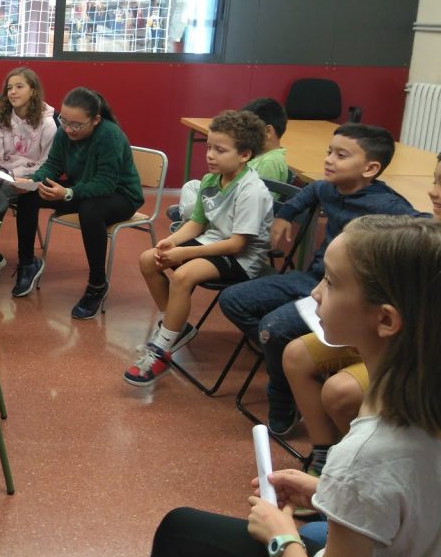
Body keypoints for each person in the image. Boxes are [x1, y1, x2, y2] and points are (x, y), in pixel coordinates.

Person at [147, 215, 441, 557]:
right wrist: (328, 494)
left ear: (385, 320)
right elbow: (406, 502)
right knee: (182, 527)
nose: (315, 292)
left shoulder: (365, 454)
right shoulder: (417, 406)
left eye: (331, 282)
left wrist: (282, 538)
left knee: (185, 540)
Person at [218, 124, 422, 435]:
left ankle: (282, 393)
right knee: (233, 300)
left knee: (274, 328)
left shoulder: (388, 207)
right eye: (329, 152)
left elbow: (421, 230)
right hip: (312, 279)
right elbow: (311, 191)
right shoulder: (329, 187)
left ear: (370, 168)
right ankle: (283, 360)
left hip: (343, 293)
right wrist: (286, 214)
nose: (329, 160)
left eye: (341, 155)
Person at [281, 151, 441, 475]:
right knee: (296, 354)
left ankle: (361, 466)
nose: (433, 191)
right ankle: (325, 454)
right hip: (388, 330)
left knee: (340, 392)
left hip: (414, 347)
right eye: (436, 180)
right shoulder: (425, 230)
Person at [124, 110, 273, 386]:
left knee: (183, 275)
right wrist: (173, 241)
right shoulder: (210, 180)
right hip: (213, 242)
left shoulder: (251, 190)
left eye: (220, 150)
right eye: (209, 147)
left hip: (241, 258)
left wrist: (184, 253)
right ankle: (175, 326)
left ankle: (162, 347)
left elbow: (238, 243)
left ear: (244, 155)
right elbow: (197, 223)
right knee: (148, 259)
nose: (210, 155)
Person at [12, 87, 142, 320]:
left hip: (120, 195)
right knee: (29, 195)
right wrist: (33, 181)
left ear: (96, 120)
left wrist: (68, 193)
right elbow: (53, 165)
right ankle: (27, 263)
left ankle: (97, 284)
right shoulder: (64, 132)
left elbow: (105, 184)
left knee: (89, 210)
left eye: (77, 125)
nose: (68, 129)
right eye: (64, 121)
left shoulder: (110, 136)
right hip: (81, 188)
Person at [0, 68, 58, 280]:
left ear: (33, 91)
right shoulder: (2, 119)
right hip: (3, 175)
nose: (12, 92)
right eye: (9, 88)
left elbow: (47, 163)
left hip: (30, 179)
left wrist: (21, 176)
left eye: (19, 87)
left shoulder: (47, 123)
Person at [171, 97, 289, 226]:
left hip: (231, 212)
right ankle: (186, 216)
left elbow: (257, 207)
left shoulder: (270, 162)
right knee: (191, 185)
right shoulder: (261, 155)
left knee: (191, 211)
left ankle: (185, 217)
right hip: (224, 197)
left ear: (268, 131)